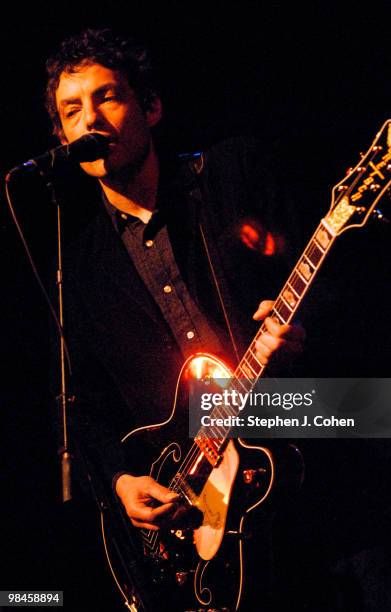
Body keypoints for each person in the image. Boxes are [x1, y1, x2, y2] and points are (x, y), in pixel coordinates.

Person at [44, 27, 306, 610]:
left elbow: (345, 281)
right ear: (62, 135)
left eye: (107, 97)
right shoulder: (79, 267)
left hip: (312, 429)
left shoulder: (231, 174)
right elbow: (83, 404)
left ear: (151, 106)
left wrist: (306, 336)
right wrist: (119, 483)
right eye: (72, 109)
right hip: (208, 517)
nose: (91, 119)